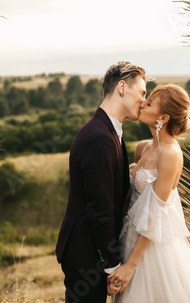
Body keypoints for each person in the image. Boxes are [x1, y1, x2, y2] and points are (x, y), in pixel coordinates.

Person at [108, 84, 190, 302]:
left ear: (164, 117)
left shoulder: (170, 154)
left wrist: (131, 265)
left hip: (152, 247)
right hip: (128, 239)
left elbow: (155, 212)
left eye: (149, 103)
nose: (142, 103)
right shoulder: (143, 147)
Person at [55, 61, 147, 303]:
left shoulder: (110, 131)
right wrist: (112, 264)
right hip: (85, 255)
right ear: (122, 87)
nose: (144, 101)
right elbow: (100, 209)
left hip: (90, 251)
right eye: (142, 92)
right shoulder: (99, 137)